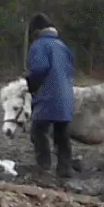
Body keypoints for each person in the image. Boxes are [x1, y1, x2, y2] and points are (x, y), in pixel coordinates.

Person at [25, 14, 79, 183]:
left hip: (48, 95)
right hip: (66, 95)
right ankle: (65, 168)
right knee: (61, 133)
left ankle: (43, 165)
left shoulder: (39, 45)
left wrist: (30, 83)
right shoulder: (62, 45)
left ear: (36, 31)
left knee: (37, 131)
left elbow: (40, 68)